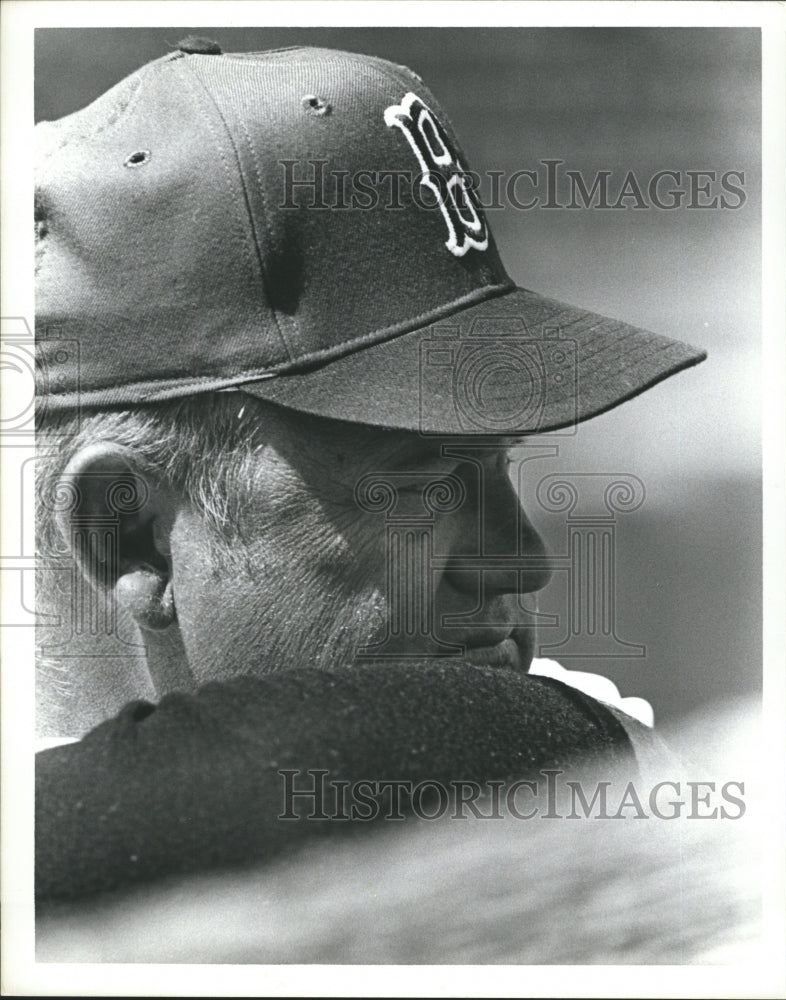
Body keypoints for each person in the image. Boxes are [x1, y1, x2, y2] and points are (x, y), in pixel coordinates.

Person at [35, 41, 705, 904]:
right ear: (131, 532)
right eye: (419, 485)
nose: (520, 561)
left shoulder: (556, 729)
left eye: (496, 461)